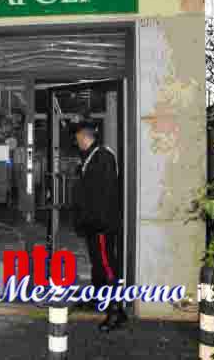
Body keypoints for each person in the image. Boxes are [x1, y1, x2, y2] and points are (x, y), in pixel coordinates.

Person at [70, 119, 128, 333]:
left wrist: (97, 223)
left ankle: (116, 311)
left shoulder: (102, 156)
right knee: (98, 264)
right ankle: (98, 299)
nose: (76, 142)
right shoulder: (92, 156)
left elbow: (105, 194)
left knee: (107, 265)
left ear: (84, 136)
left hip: (101, 225)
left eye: (77, 138)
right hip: (93, 224)